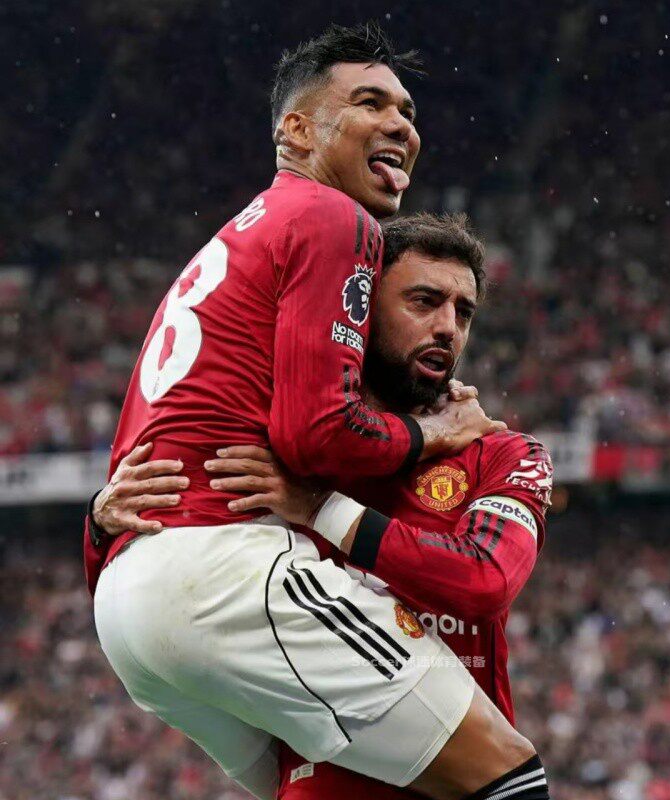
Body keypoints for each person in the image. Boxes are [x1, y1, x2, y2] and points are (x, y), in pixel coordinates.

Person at [86, 23, 548, 800]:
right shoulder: (336, 222)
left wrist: (102, 525)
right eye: (370, 103)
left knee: (315, 783)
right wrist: (429, 434)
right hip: (219, 566)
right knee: (508, 774)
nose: (401, 124)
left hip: (133, 599)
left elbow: (482, 580)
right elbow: (318, 434)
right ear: (296, 130)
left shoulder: (236, 241)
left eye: (407, 111)